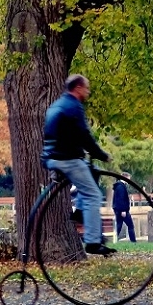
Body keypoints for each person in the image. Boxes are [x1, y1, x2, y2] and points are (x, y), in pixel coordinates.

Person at [41, 74, 115, 256]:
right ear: (78, 88)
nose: (88, 92)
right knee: (94, 195)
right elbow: (84, 136)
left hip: (52, 158)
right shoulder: (74, 107)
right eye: (86, 88)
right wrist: (100, 154)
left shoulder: (56, 105)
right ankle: (92, 242)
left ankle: (80, 212)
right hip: (68, 160)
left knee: (91, 172)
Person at [112, 172, 136, 243]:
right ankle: (133, 242)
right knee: (130, 226)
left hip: (118, 209)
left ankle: (115, 240)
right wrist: (123, 210)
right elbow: (121, 199)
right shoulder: (121, 187)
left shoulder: (119, 186)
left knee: (119, 226)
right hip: (122, 210)